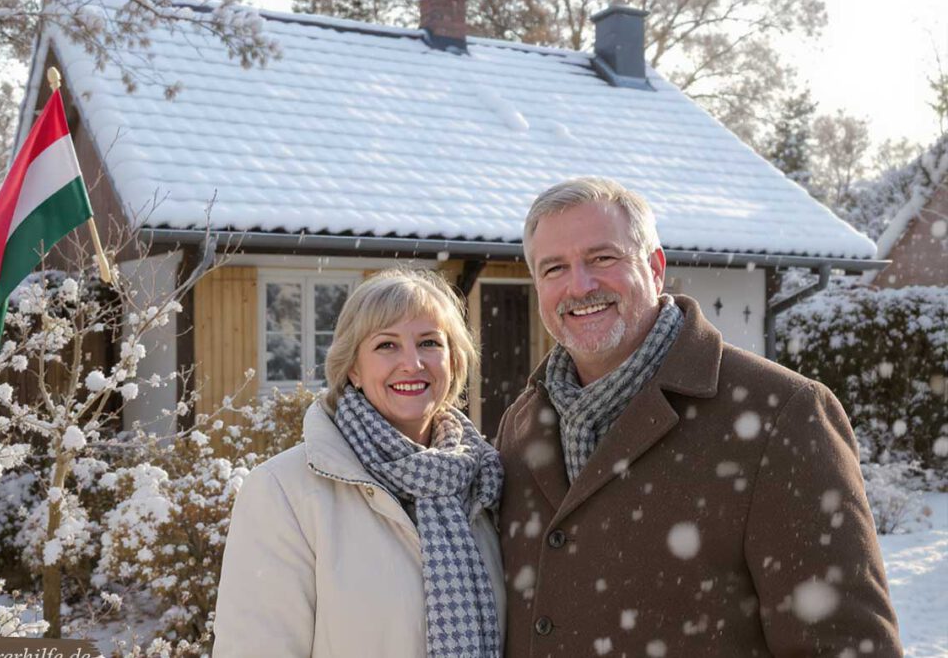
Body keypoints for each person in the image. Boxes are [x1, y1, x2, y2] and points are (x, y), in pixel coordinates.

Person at [496, 177, 902, 656]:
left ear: (655, 268)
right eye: (554, 268)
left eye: (602, 258)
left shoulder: (781, 414)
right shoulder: (522, 426)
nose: (579, 285)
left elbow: (846, 644)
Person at [213, 269, 505, 658]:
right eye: (387, 345)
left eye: (429, 343)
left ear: (453, 361)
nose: (412, 363)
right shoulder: (283, 492)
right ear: (353, 368)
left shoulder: (486, 483)